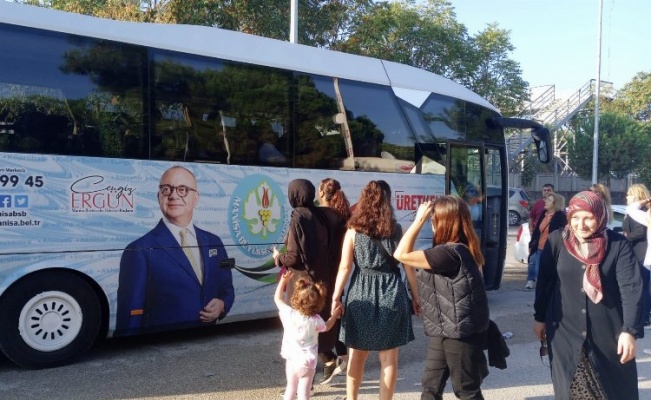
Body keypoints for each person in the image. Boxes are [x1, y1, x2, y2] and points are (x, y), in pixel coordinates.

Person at [534, 191, 643, 400]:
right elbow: (546, 283)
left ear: (600, 216)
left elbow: (631, 288)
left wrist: (629, 331)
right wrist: (539, 318)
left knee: (612, 392)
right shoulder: (557, 240)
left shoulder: (618, 245)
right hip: (565, 333)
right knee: (572, 391)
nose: (580, 224)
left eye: (588, 218)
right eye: (575, 217)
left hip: (609, 334)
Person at [116, 166, 234, 335]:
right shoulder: (138, 250)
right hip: (163, 349)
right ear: (158, 197)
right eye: (166, 189)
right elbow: (130, 317)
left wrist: (222, 304)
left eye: (182, 190)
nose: (173, 195)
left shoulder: (213, 242)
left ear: (196, 198)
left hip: (208, 346)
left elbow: (226, 288)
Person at [330, 180, 420, 400]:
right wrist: (416, 298)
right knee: (389, 359)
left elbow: (344, 267)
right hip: (392, 293)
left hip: (360, 293)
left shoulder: (353, 231)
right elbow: (409, 267)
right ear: (388, 201)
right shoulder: (398, 231)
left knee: (356, 356)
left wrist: (335, 297)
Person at [393, 196, 490, 400]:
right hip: (443, 328)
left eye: (432, 219)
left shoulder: (451, 253)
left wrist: (418, 220)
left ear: (444, 221)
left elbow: (401, 254)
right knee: (430, 388)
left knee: (466, 391)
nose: (431, 224)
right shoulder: (460, 249)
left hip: (460, 333)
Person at [272, 179, 337, 384]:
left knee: (299, 327)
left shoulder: (297, 217)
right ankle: (328, 360)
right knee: (312, 325)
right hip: (320, 277)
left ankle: (304, 380)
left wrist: (277, 257)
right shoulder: (319, 215)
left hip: (301, 280)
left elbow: (293, 257)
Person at [274, 270, 342, 400]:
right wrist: (334, 315)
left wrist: (283, 281)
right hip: (307, 362)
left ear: (296, 298)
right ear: (319, 303)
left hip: (291, 358)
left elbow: (277, 299)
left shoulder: (289, 313)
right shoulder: (316, 320)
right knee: (304, 394)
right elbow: (327, 326)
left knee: (290, 389)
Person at [315, 177, 351, 384]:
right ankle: (343, 360)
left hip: (320, 275)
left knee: (313, 320)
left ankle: (329, 359)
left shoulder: (316, 216)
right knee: (335, 317)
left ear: (321, 193)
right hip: (337, 274)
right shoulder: (342, 217)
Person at [526, 193, 567, 290]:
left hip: (551, 250)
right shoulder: (544, 214)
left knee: (548, 275)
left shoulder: (560, 216)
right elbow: (537, 231)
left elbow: (562, 234)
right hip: (539, 248)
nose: (545, 201)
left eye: (548, 200)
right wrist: (532, 244)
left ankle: (548, 295)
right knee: (538, 273)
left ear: (555, 203)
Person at [623, 184, 651, 327]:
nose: (626, 196)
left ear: (636, 195)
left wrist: (625, 237)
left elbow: (639, 232)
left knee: (642, 286)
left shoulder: (643, 213)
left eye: (629, 194)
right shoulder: (642, 212)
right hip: (641, 253)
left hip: (641, 253)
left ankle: (644, 316)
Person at [527, 184, 554, 289]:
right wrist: (531, 229)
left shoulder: (557, 209)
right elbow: (531, 217)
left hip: (549, 240)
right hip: (537, 237)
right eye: (544, 190)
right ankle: (530, 280)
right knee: (533, 259)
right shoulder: (538, 204)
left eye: (549, 190)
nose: (546, 192)